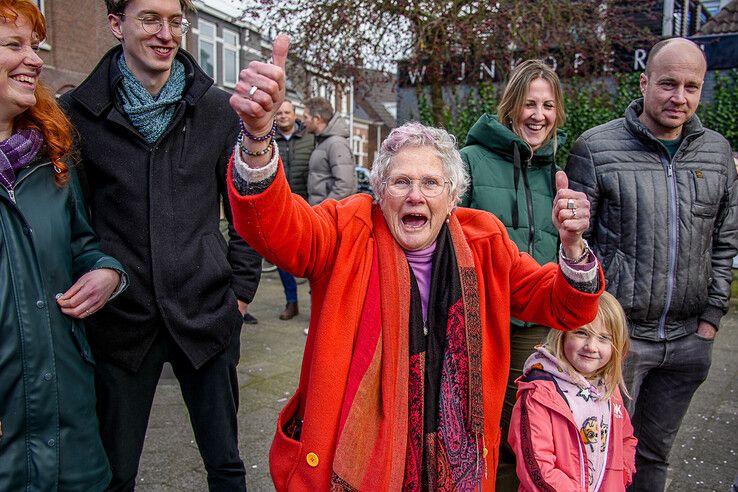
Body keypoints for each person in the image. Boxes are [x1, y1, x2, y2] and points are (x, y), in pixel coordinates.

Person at [226, 35, 605, 490]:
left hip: (456, 452)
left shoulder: (483, 239)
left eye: (430, 182)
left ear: (452, 195)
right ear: (380, 189)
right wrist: (257, 139)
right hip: (365, 455)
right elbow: (278, 229)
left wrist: (574, 248)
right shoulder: (350, 226)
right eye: (401, 181)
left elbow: (564, 306)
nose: (415, 196)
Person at [58, 0, 262, 490]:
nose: (166, 33)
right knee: (116, 472)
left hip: (206, 312)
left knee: (227, 465)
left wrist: (239, 291)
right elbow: (74, 220)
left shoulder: (215, 108)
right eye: (149, 18)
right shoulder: (78, 114)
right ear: (115, 24)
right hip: (122, 322)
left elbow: (244, 209)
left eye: (175, 20)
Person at [566, 37, 738, 492]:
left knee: (654, 457)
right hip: (618, 345)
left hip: (687, 342)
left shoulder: (717, 153)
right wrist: (594, 329)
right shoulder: (596, 149)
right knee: (597, 457)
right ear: (643, 83)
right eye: (667, 84)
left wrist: (710, 323)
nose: (679, 97)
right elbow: (576, 245)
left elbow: (724, 240)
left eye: (691, 86)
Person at [0, 0, 127, 489]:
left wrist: (107, 272)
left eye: (35, 45)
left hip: (69, 426)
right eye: (15, 45)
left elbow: (82, 243)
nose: (34, 58)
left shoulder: (50, 158)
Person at [460, 58, 566, 491]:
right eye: (529, 104)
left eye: (547, 105)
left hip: (538, 324)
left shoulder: (557, 170)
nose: (538, 115)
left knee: (530, 433)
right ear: (510, 107)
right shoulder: (471, 160)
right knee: (484, 431)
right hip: (483, 319)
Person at [508, 291, 637, 491]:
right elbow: (537, 466)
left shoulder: (608, 388)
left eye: (604, 338)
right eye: (581, 333)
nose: (591, 347)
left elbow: (625, 439)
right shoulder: (539, 392)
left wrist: (620, 478)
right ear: (563, 333)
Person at [273, 100, 314, 320]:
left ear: (294, 114)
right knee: (282, 258)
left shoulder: (310, 138)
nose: (283, 116)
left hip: (307, 205)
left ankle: (316, 301)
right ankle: (292, 302)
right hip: (281, 207)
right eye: (279, 113)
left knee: (313, 256)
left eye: (287, 112)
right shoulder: (269, 139)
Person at [302, 95, 356, 205]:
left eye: (306, 117)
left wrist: (324, 210)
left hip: (327, 216)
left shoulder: (336, 144)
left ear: (317, 119)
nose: (303, 121)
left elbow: (344, 185)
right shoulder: (323, 142)